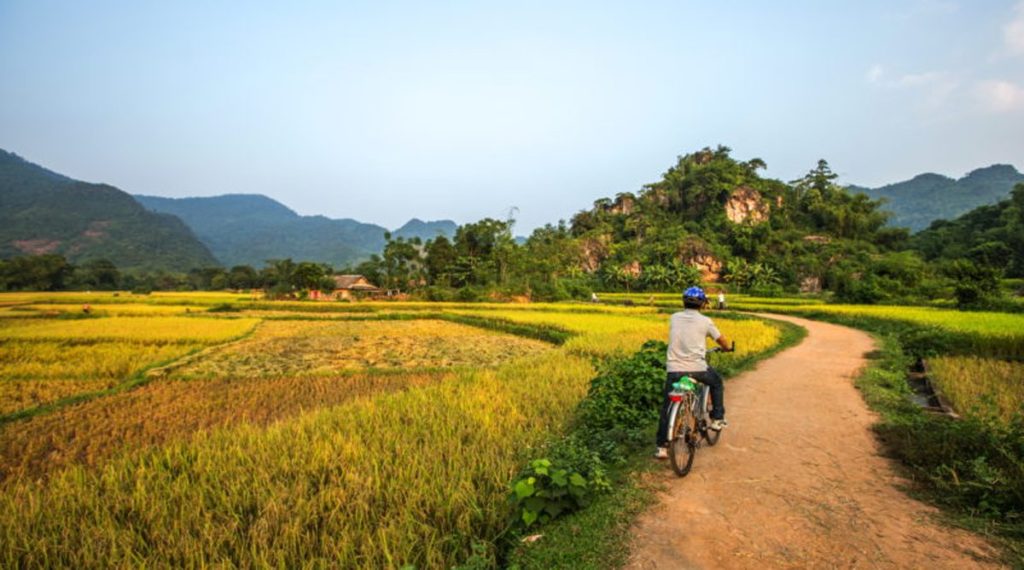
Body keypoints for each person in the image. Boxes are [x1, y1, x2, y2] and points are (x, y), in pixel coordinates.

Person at [654, 286, 732, 459]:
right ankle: (718, 418)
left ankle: (661, 447)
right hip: (698, 368)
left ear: (683, 302)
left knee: (667, 407)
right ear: (703, 304)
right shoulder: (705, 321)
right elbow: (722, 340)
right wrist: (726, 348)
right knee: (716, 382)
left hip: (674, 369)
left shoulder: (674, 318)